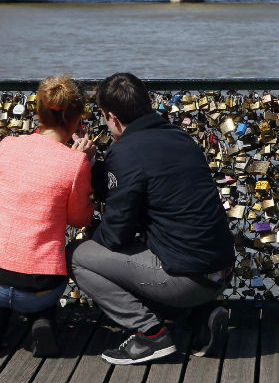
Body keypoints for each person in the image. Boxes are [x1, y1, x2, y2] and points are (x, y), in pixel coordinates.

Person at [67, 73, 235, 365]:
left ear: (111, 116)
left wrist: (92, 232)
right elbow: (135, 180)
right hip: (220, 272)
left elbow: (116, 235)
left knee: (77, 256)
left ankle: (151, 336)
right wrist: (93, 164)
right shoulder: (178, 136)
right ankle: (198, 317)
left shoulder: (126, 152)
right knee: (142, 249)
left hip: (186, 279)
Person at [0, 75, 95, 357]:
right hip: (39, 291)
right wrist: (84, 163)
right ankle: (42, 324)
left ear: (38, 111)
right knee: (46, 265)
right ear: (77, 119)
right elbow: (79, 220)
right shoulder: (76, 162)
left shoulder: (8, 145)